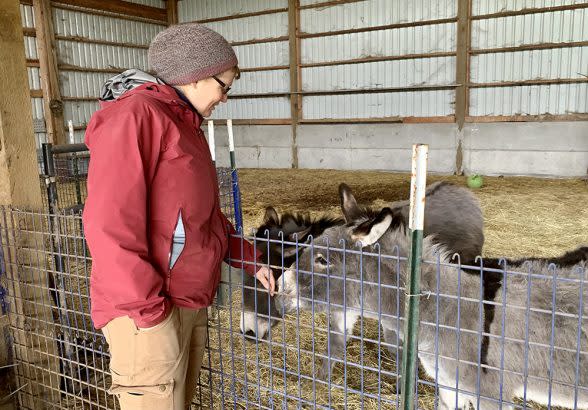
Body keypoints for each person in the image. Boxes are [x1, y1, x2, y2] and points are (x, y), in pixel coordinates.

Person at [82, 23, 275, 410]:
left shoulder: (186, 126)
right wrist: (148, 310)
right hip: (150, 310)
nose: (225, 97)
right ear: (197, 75)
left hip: (185, 300)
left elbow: (201, 216)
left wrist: (250, 260)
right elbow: (109, 225)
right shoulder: (136, 118)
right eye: (225, 85)